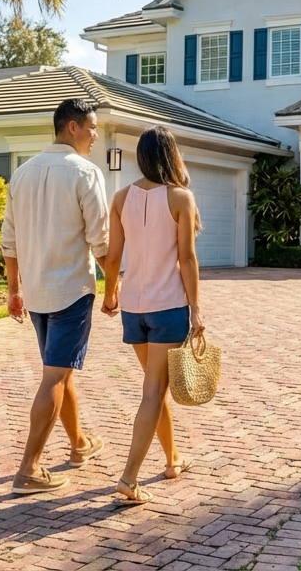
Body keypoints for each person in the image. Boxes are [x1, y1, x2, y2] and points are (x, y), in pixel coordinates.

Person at [2, 99, 109, 495]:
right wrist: (115, 287)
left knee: (59, 370)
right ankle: (28, 469)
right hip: (71, 292)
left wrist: (14, 290)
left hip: (37, 293)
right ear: (72, 127)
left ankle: (79, 444)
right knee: (55, 376)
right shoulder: (85, 172)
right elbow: (101, 240)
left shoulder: (23, 173)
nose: (96, 135)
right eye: (92, 127)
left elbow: (8, 241)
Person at [100, 125, 206, 505]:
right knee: (153, 391)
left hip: (134, 307)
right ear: (172, 154)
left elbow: (113, 257)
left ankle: (173, 459)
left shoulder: (120, 197)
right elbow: (187, 259)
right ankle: (129, 478)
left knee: (154, 389)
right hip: (168, 307)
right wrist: (196, 309)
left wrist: (110, 293)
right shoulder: (181, 198)